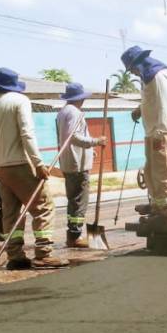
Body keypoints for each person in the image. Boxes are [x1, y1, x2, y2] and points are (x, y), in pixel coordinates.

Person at [0, 68, 67, 270]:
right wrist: (38, 163)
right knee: (43, 207)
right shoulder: (19, 100)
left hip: (1, 169)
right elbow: (27, 133)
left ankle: (15, 256)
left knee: (11, 213)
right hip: (22, 165)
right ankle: (44, 254)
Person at [121, 46, 167, 225]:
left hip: (163, 133)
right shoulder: (148, 77)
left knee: (163, 174)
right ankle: (158, 209)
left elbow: (165, 104)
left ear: (137, 64)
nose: (132, 73)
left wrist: (160, 135)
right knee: (151, 173)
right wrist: (140, 109)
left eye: (131, 69)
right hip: (153, 133)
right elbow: (152, 100)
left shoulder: (158, 75)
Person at [55, 82, 106, 248]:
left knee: (73, 200)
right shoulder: (75, 112)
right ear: (80, 99)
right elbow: (73, 137)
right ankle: (75, 236)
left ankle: (72, 234)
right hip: (77, 165)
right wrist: (95, 141)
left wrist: (90, 151)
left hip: (69, 162)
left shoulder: (62, 112)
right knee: (79, 202)